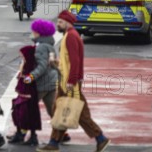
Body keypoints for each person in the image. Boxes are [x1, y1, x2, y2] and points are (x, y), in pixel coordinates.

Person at [36, 10, 110, 152]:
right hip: (68, 80)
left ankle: (100, 138)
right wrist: (56, 63)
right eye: (58, 21)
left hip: (69, 82)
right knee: (61, 110)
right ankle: (54, 142)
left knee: (75, 112)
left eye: (60, 22)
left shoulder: (70, 37)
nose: (57, 24)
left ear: (67, 23)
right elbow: (69, 61)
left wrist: (71, 81)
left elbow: (75, 61)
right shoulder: (70, 35)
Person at [9, 45, 42, 145]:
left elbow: (31, 77)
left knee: (29, 114)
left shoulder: (31, 67)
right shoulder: (25, 65)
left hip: (29, 94)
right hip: (23, 93)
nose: (22, 58)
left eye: (23, 56)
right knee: (18, 113)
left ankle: (32, 136)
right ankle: (20, 134)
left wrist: (26, 77)